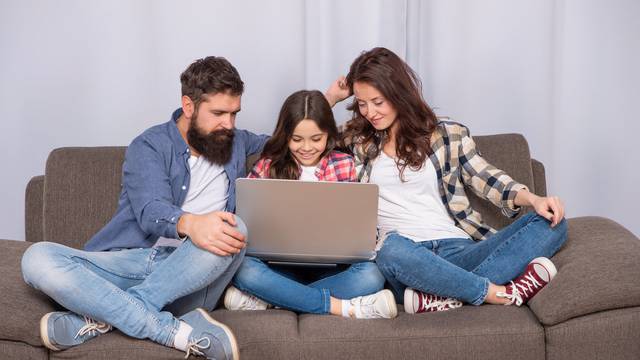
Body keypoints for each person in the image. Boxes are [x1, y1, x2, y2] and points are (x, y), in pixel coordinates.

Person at [20, 56, 268, 359]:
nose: (228, 124)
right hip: (133, 263)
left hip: (193, 273)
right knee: (37, 258)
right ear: (189, 106)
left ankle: (107, 315)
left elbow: (296, 140)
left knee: (236, 228)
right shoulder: (149, 145)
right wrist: (193, 224)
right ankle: (166, 328)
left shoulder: (237, 141)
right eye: (218, 113)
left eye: (234, 114)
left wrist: (331, 99)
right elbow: (151, 209)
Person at [325, 47, 568, 314]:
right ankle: (495, 293)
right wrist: (331, 97)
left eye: (378, 101)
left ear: (398, 93)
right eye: (362, 103)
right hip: (404, 259)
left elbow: (487, 177)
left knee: (552, 224)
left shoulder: (446, 133)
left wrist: (535, 199)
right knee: (390, 247)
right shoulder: (359, 140)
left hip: (457, 251)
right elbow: (306, 141)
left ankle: (440, 297)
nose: (370, 112)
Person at [223, 90, 397, 319]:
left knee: (372, 276)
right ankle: (341, 306)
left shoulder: (345, 164)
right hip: (279, 267)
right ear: (285, 136)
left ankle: (273, 299)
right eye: (296, 139)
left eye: (316, 139)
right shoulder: (267, 166)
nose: (306, 147)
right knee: (244, 270)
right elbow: (246, 221)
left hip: (334, 269)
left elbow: (361, 224)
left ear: (328, 134)